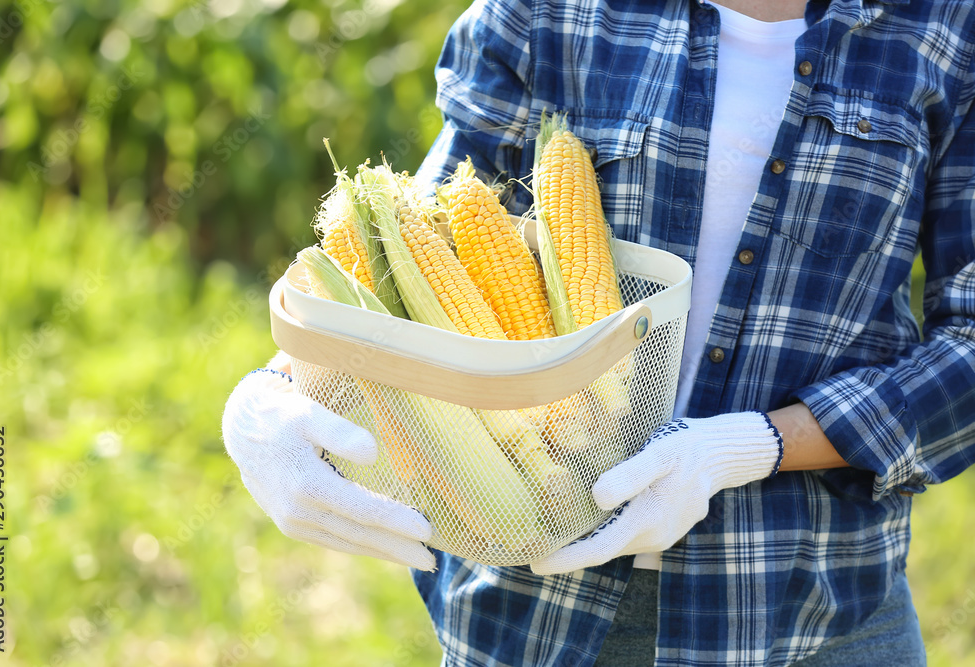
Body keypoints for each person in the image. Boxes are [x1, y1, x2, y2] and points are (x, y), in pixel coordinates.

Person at [222, 0, 975, 664]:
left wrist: (748, 446)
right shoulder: (547, 11)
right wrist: (273, 392)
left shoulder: (945, 26)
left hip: (809, 611)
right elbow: (411, 254)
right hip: (540, 605)